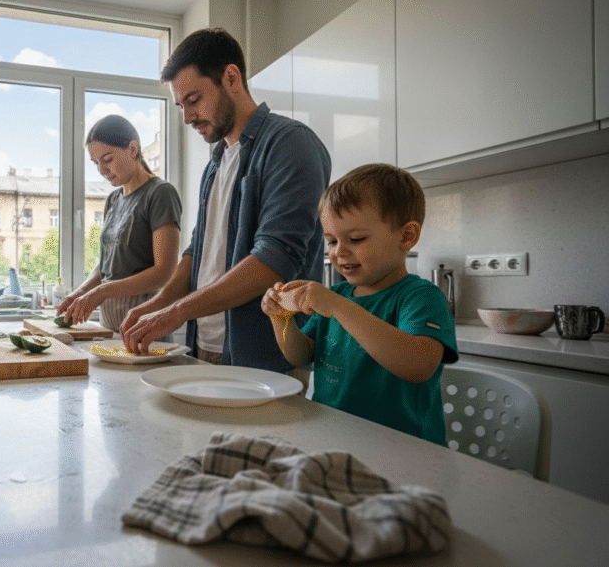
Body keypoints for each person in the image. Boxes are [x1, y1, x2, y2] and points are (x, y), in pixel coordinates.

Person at [120, 28, 330, 371]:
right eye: (181, 105)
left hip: (263, 360)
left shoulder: (290, 144)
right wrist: (156, 305)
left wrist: (174, 313)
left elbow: (274, 259)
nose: (187, 117)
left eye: (194, 100)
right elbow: (197, 252)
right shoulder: (216, 163)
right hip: (204, 345)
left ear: (231, 78)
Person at [261, 163, 458, 444]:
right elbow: (300, 356)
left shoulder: (420, 297)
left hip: (404, 450)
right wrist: (281, 318)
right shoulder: (338, 294)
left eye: (356, 239)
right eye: (331, 241)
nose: (339, 252)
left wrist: (339, 307)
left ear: (406, 236)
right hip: (335, 438)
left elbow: (417, 366)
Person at [56, 115, 182, 333]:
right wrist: (79, 293)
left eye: (107, 160)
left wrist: (101, 292)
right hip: (109, 325)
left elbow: (165, 272)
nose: (101, 170)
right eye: (96, 163)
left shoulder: (160, 193)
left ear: (133, 149)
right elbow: (106, 266)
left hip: (145, 325)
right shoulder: (113, 200)